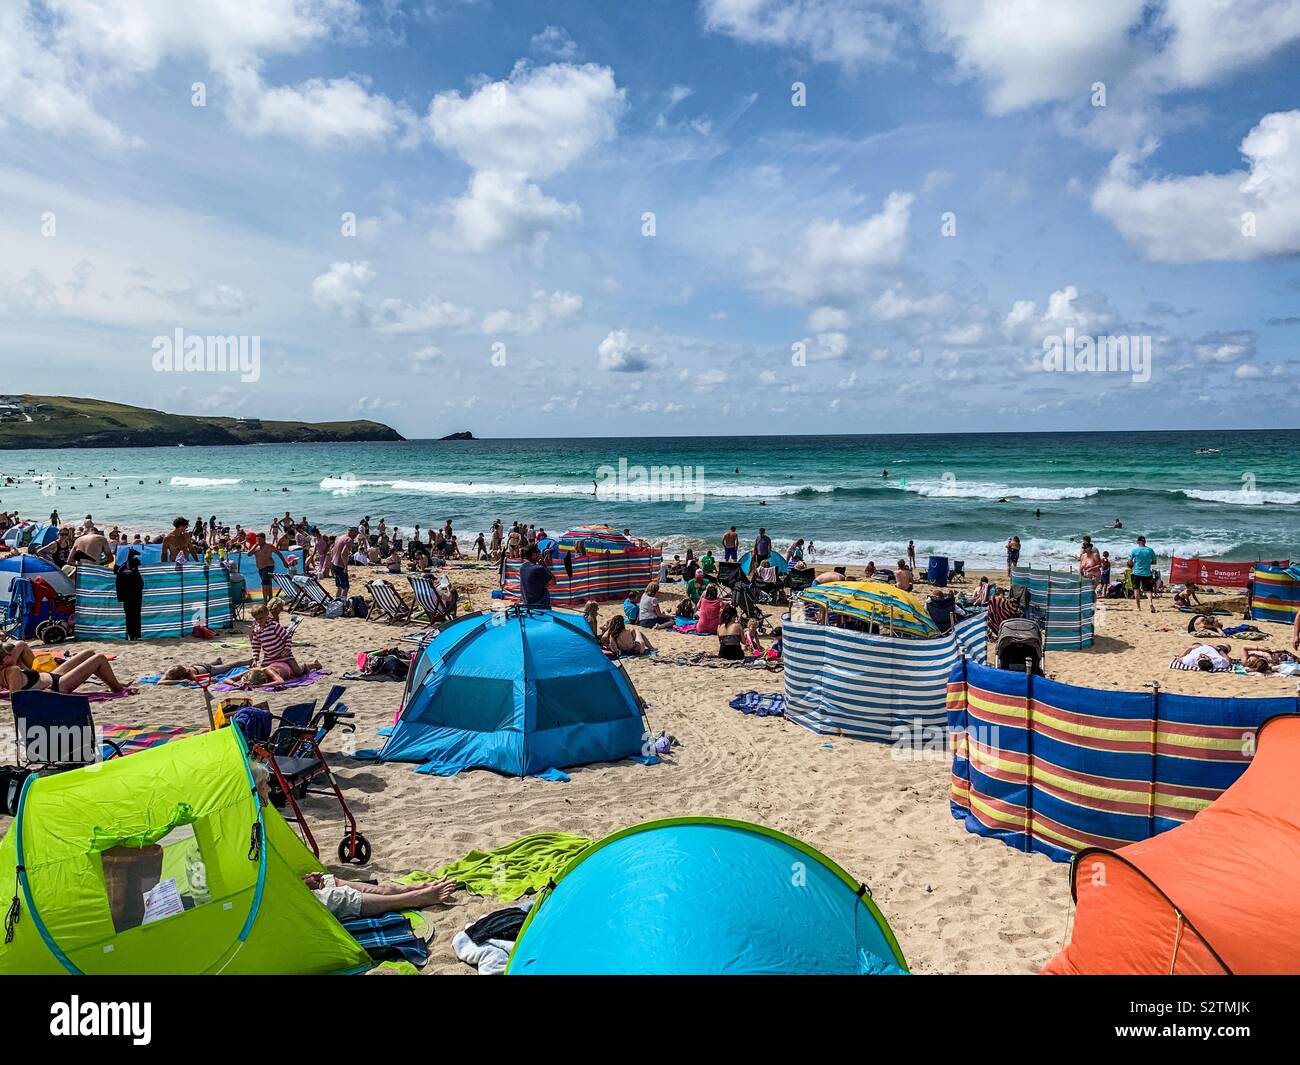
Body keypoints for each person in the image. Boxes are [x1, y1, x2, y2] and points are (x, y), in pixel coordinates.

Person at [1, 644, 131, 695]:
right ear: (6, 658)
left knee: (89, 653)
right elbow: (17, 698)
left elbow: (14, 691)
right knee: (100, 658)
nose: (15, 656)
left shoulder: (8, 670)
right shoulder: (13, 670)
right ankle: (116, 688)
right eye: (13, 654)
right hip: (57, 685)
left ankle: (114, 682)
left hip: (52, 676)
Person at [114, 548, 144, 640]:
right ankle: (135, 635)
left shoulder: (120, 568)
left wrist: (120, 596)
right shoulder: (132, 567)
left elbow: (118, 582)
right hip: (134, 594)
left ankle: (132, 635)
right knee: (135, 614)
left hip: (127, 595)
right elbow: (140, 582)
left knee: (129, 614)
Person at [158, 656, 253, 684]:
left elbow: (211, 679)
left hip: (208, 669)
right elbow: (160, 682)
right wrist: (180, 681)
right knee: (217, 664)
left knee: (229, 666)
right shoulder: (179, 670)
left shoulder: (191, 676)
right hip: (198, 665)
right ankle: (216, 661)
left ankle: (248, 661)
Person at [252, 532, 289, 602]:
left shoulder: (269, 546)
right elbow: (249, 554)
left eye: (259, 539)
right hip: (260, 568)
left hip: (269, 566)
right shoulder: (256, 547)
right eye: (257, 539)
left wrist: (284, 562)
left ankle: (265, 601)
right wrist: (255, 545)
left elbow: (279, 553)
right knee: (268, 584)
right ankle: (271, 600)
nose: (258, 541)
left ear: (263, 539)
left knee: (265, 584)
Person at [518, 544, 553, 609]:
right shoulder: (539, 568)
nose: (540, 554)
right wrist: (544, 565)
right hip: (540, 605)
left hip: (527, 604)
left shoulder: (522, 567)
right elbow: (553, 582)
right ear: (534, 555)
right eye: (538, 552)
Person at [1129, 535, 1157, 613]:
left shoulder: (1134, 550)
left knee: (1136, 589)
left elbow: (1130, 562)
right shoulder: (1150, 550)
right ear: (1145, 542)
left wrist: (1133, 563)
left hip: (1136, 572)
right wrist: (1148, 562)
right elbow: (1154, 562)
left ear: (1138, 542)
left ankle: (1138, 607)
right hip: (1147, 572)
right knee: (1148, 590)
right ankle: (1150, 603)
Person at [329, 526, 356, 596]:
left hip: (333, 564)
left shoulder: (339, 537)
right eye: (356, 533)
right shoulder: (349, 540)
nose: (356, 535)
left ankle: (337, 601)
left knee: (339, 586)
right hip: (340, 566)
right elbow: (343, 553)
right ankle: (343, 604)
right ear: (352, 531)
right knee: (346, 587)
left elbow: (332, 550)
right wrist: (346, 567)